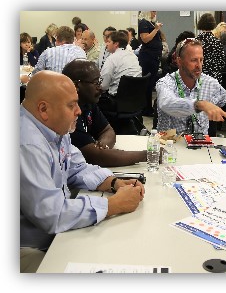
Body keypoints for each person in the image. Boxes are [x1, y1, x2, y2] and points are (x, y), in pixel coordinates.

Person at [20, 70, 144, 272]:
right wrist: (113, 204)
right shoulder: (27, 144)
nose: (78, 111)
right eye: (72, 105)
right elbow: (52, 214)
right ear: (43, 109)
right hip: (30, 247)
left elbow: (77, 168)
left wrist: (114, 182)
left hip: (56, 235)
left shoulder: (55, 127)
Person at [62, 59, 150, 167]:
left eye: (100, 81)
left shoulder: (88, 103)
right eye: (96, 83)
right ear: (76, 85)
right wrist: (148, 155)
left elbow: (107, 130)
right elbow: (96, 157)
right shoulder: (66, 112)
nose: (101, 88)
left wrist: (103, 146)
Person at [156, 38, 226, 135]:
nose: (199, 65)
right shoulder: (166, 83)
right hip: (171, 145)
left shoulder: (210, 83)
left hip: (200, 145)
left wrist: (212, 108)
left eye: (201, 60)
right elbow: (166, 103)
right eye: (194, 60)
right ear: (179, 61)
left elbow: (224, 98)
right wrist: (200, 105)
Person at [98, 31, 142, 111]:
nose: (106, 44)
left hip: (115, 101)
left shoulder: (112, 59)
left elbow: (103, 85)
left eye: (108, 42)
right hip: (135, 100)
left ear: (116, 44)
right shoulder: (133, 56)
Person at [138, 11, 163, 116]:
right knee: (148, 83)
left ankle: (148, 107)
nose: (155, 13)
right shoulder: (144, 23)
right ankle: (146, 108)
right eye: (152, 11)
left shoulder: (151, 23)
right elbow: (145, 39)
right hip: (148, 57)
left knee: (151, 82)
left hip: (154, 57)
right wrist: (156, 29)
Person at [196, 13, 225, 84]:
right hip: (214, 78)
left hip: (199, 77)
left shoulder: (195, 42)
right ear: (213, 24)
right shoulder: (217, 42)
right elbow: (222, 62)